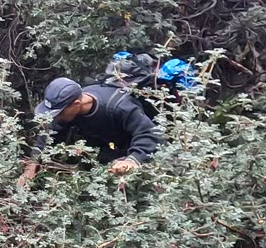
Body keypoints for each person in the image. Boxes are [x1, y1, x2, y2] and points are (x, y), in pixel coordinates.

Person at [17, 76, 162, 186]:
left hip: (137, 148)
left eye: (59, 113)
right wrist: (31, 166)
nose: (57, 117)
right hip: (105, 147)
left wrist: (133, 160)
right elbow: (48, 133)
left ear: (76, 104)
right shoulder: (68, 109)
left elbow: (149, 133)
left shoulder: (120, 107)